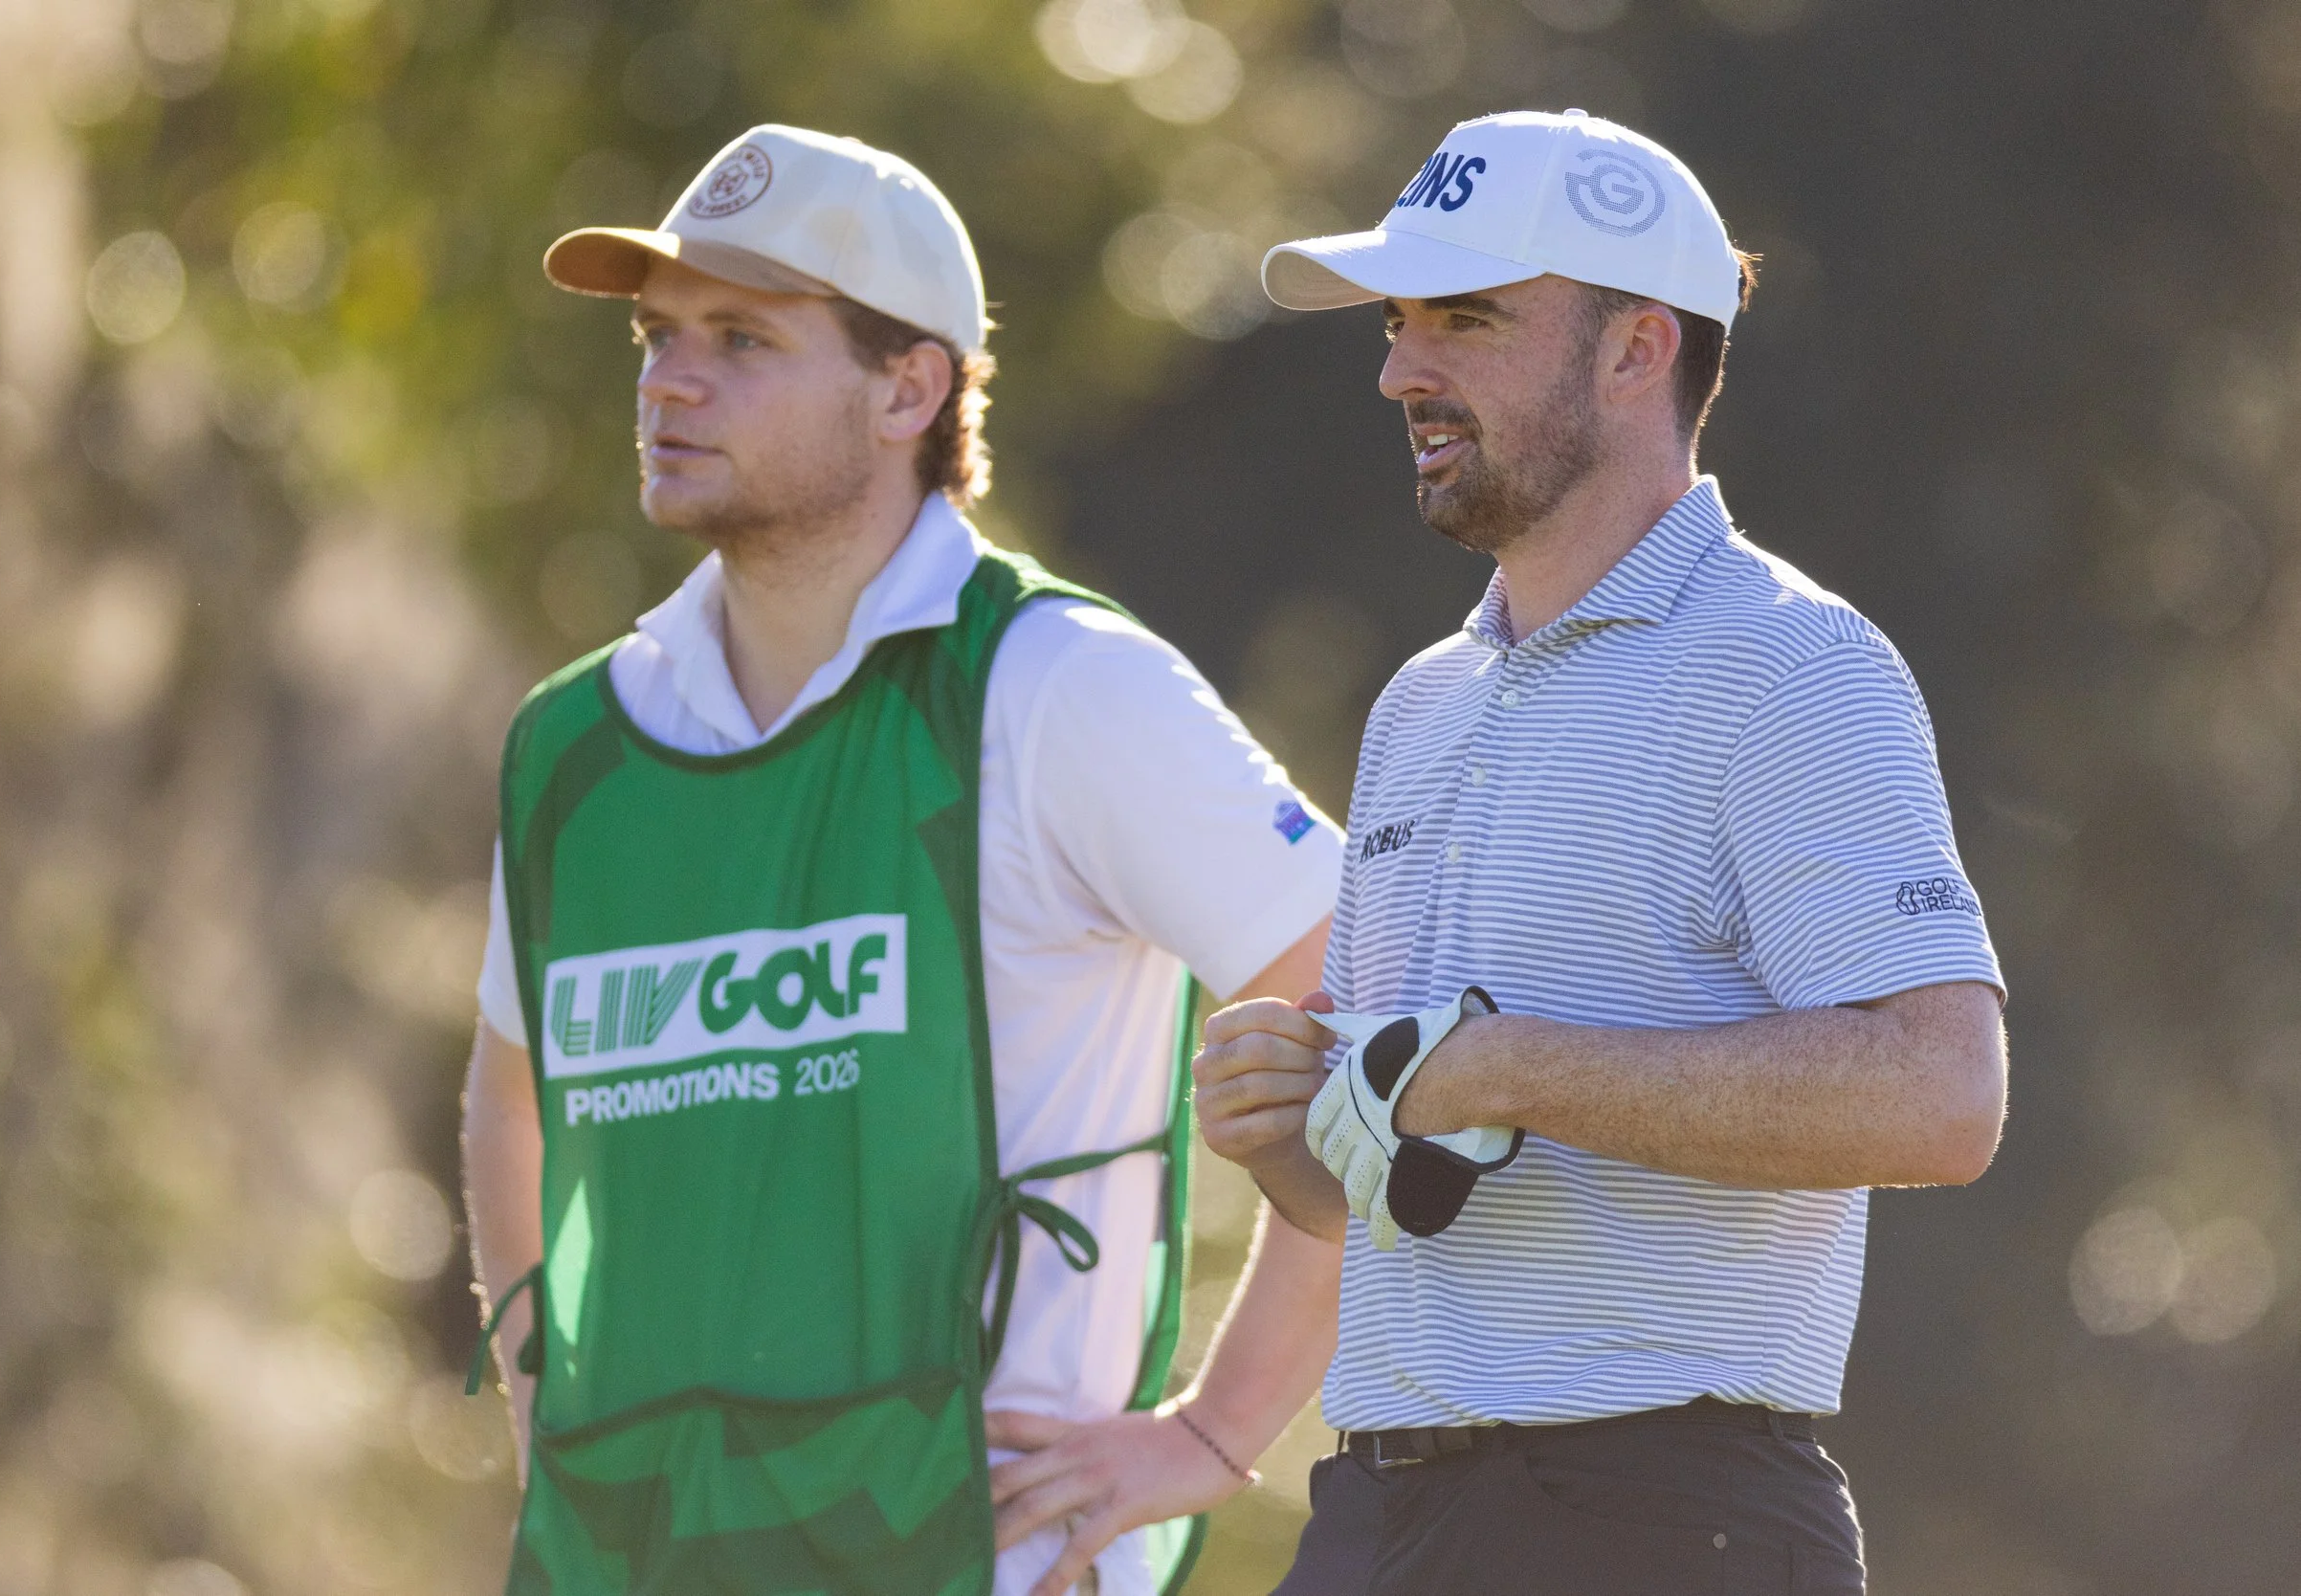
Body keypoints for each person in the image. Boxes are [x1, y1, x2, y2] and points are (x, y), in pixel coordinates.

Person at [458, 124, 1346, 1596]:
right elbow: (509, 1087)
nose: (671, 381)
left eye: (741, 339)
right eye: (658, 336)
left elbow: (1369, 990)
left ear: (909, 387)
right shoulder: (574, 743)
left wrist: (1216, 1430)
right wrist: (537, 1380)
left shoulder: (1058, 686)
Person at [1192, 109, 2009, 1594]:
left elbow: (1944, 1096)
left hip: (1661, 1514)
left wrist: (1513, 1069)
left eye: (1467, 319)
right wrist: (1292, 1136)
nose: (1399, 371)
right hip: (1381, 1514)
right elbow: (1410, 1177)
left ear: (1638, 351)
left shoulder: (1794, 665)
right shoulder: (1421, 704)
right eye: (1396, 323)